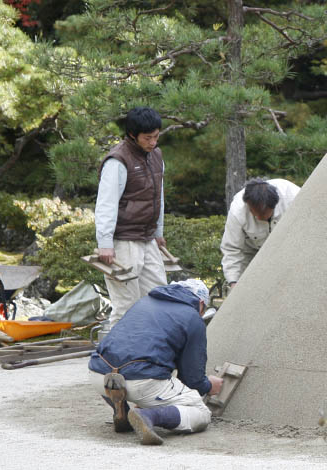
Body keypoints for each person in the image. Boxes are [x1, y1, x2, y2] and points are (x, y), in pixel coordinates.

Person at [88, 279, 224, 445]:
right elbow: (192, 378)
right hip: (141, 381)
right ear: (201, 303)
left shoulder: (144, 302)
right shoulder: (192, 317)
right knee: (201, 412)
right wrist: (209, 386)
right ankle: (148, 415)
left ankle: (122, 409)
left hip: (100, 375)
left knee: (131, 377)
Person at [95, 106, 168, 338]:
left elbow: (159, 196)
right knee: (126, 305)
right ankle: (113, 360)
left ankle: (148, 355)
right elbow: (106, 204)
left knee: (160, 299)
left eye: (156, 136)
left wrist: (159, 231)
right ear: (132, 135)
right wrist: (105, 243)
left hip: (147, 239)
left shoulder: (156, 156)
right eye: (148, 138)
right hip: (122, 241)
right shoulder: (117, 161)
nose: (153, 142)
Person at [220, 178, 300, 288]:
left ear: (274, 204)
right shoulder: (237, 210)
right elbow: (232, 249)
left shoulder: (292, 195)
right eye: (256, 214)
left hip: (291, 246)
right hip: (251, 250)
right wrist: (234, 281)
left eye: (264, 214)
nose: (259, 218)